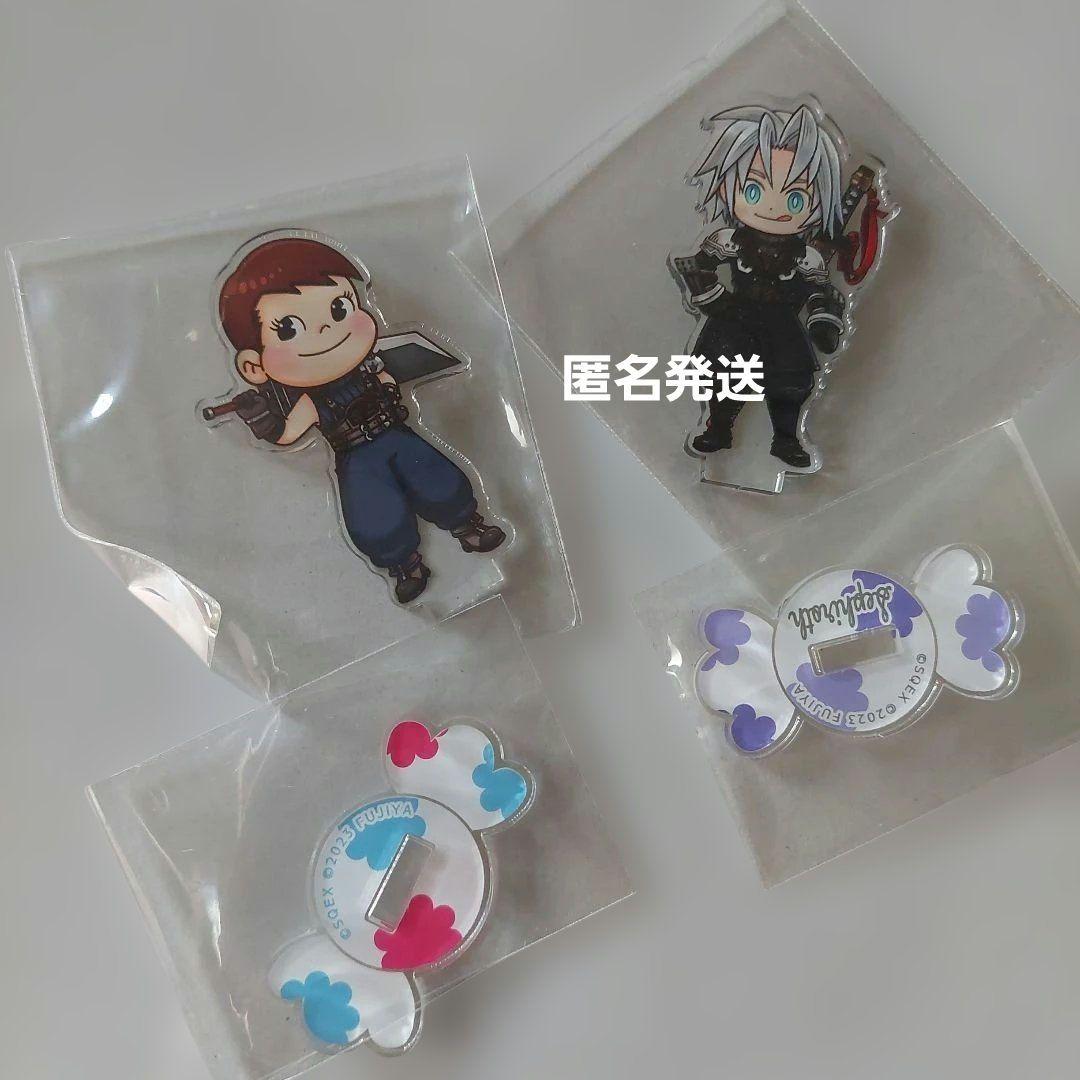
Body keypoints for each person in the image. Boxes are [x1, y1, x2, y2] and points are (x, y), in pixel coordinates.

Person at [217, 236, 505, 603]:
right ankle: (404, 566)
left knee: (437, 479)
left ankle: (468, 525)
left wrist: (387, 384)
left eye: (339, 308)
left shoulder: (372, 369)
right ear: (253, 366)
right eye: (288, 329)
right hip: (357, 459)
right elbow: (286, 435)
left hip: (397, 436)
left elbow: (393, 382)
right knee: (376, 514)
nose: (326, 331)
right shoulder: (309, 402)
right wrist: (260, 417)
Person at [672, 104, 847, 468]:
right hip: (734, 318)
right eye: (753, 191)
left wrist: (824, 320)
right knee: (724, 375)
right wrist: (711, 296)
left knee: (788, 383)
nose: (773, 208)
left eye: (796, 198)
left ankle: (786, 438)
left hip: (783, 325)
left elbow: (820, 290)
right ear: (728, 188)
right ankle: (719, 427)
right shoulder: (730, 239)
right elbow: (695, 264)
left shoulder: (807, 256)